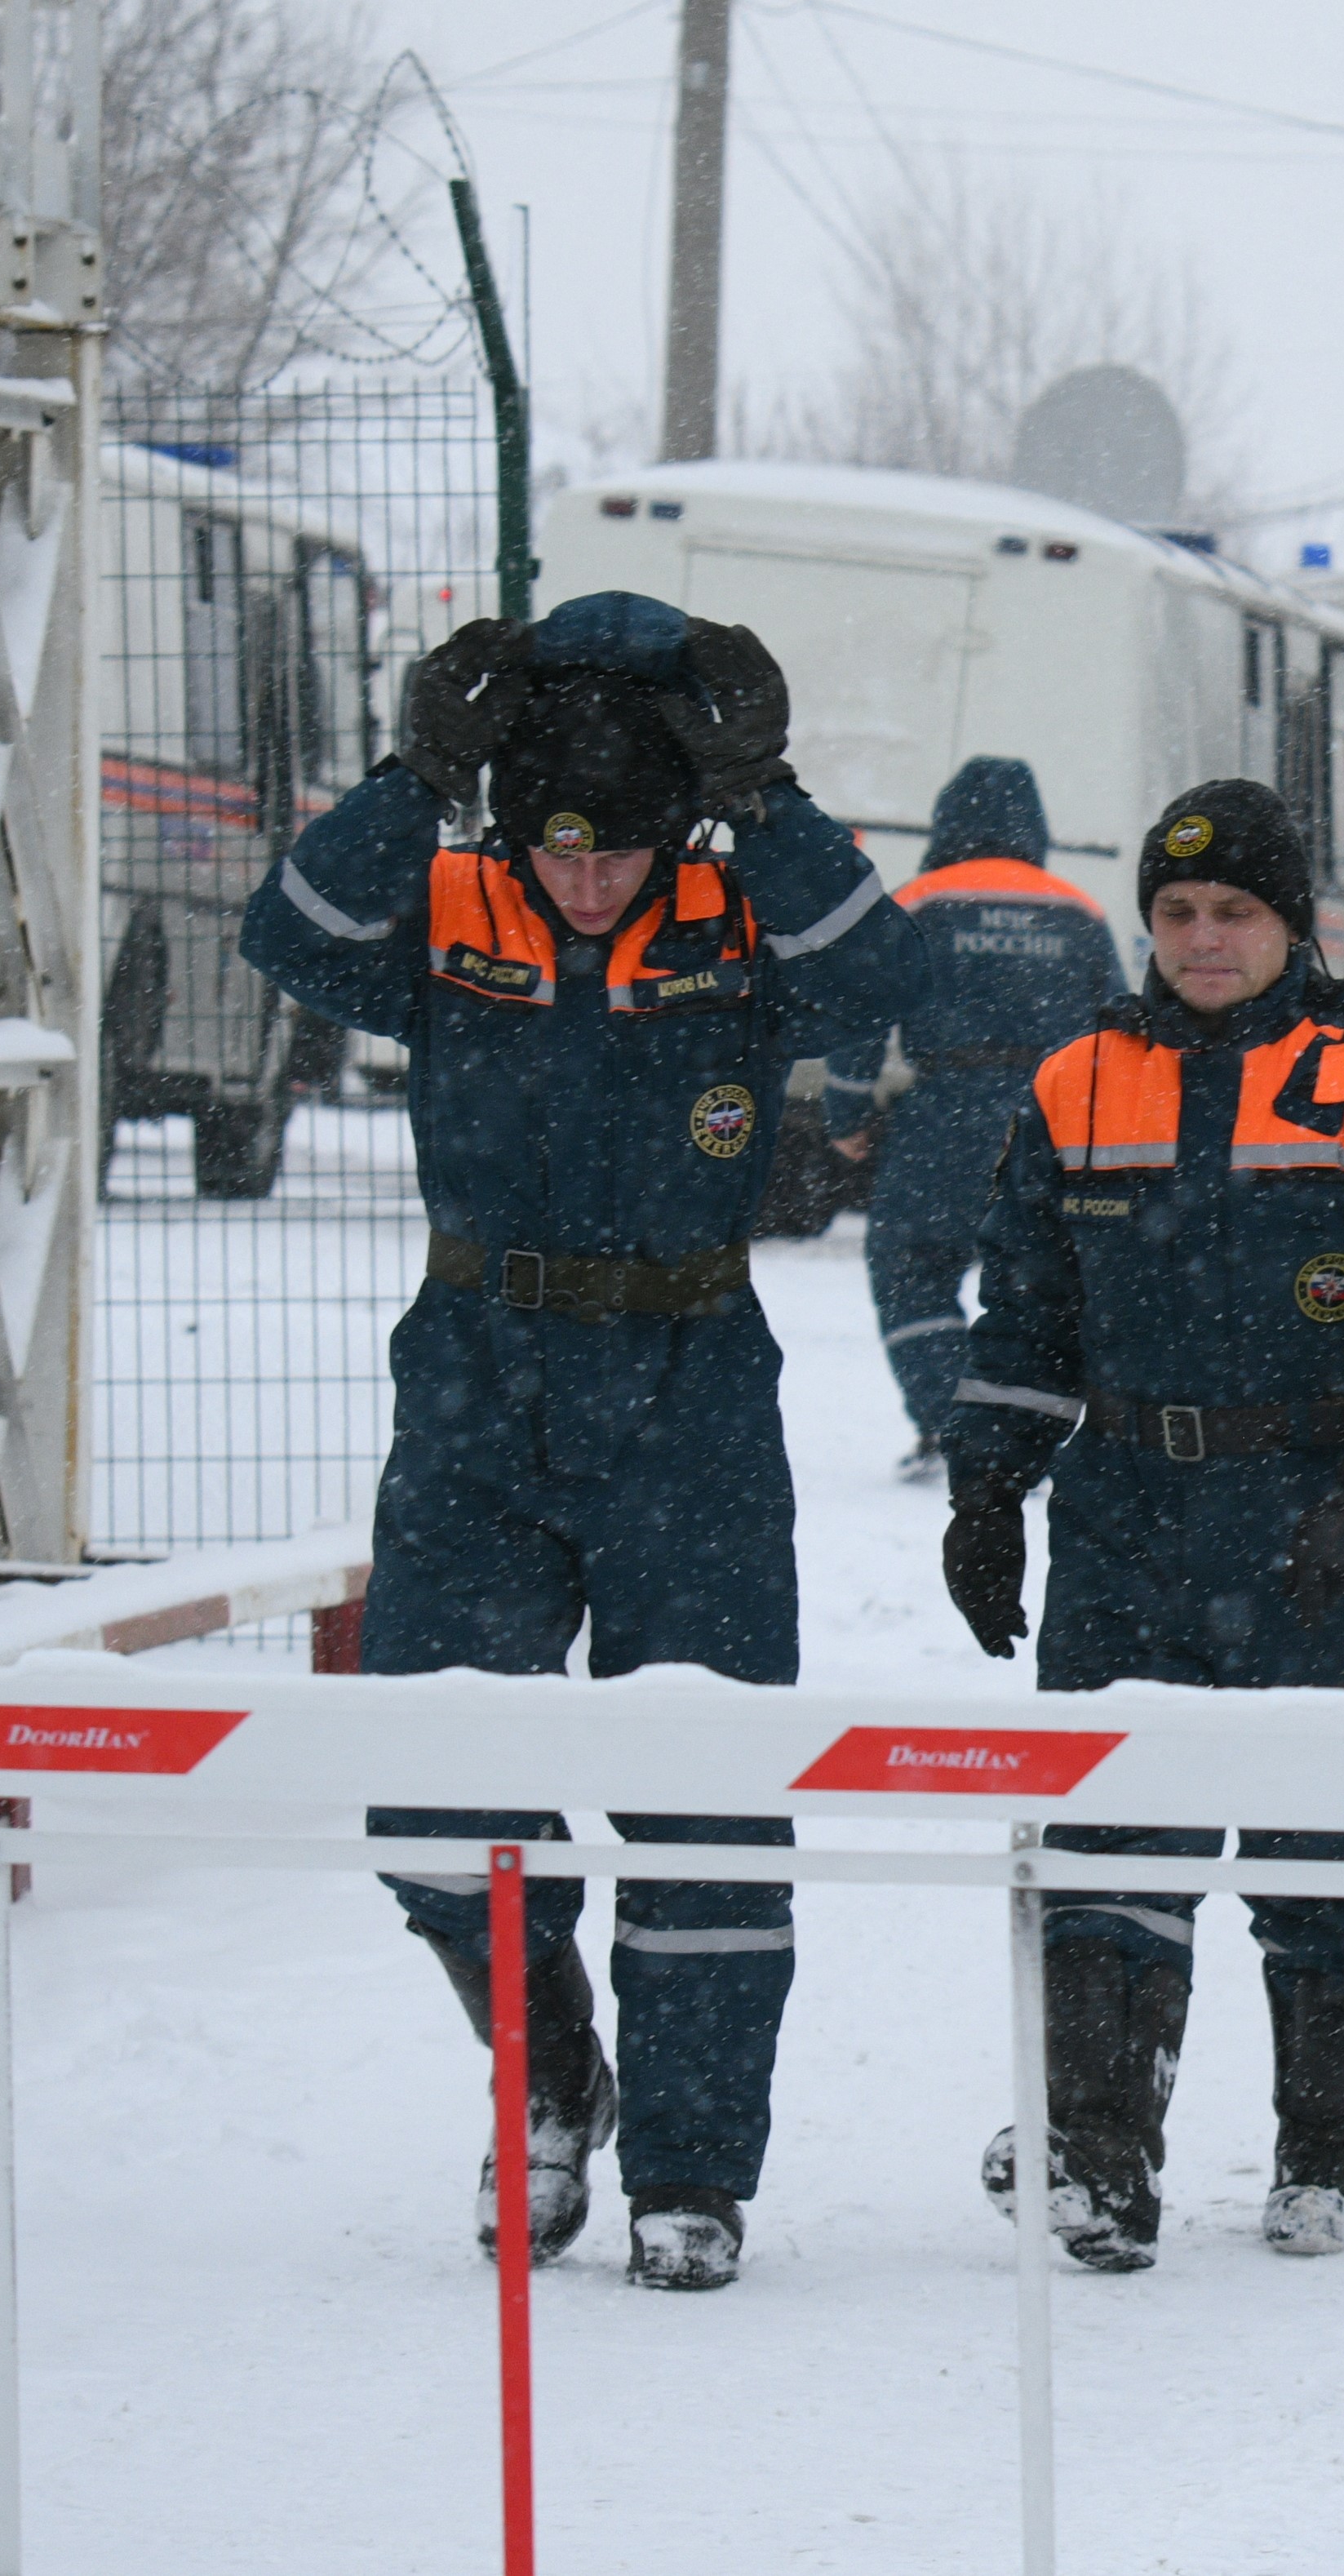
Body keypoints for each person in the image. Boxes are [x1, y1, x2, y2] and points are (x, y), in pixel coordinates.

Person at [240, 592, 938, 2293]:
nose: (587, 879)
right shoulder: (452, 896)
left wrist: (767, 802)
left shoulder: (729, 916)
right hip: (478, 1371)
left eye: (621, 847)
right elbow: (289, 935)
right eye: (556, 843)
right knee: (423, 1785)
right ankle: (547, 2072)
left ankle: (692, 2174)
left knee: (703, 1798)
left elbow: (885, 977)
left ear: (676, 825)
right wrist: (415, 776)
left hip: (690, 1379)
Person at [941, 778, 1344, 2272]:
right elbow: (1025, 1304)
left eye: (1234, 913)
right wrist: (990, 1482)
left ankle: (1326, 2156)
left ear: (1290, 923)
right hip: (1126, 1504)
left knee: (1324, 1834)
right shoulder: (1074, 1082)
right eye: (1179, 913)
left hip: (1319, 1503)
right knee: (1110, 1825)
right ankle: (1100, 2155)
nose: (1203, 939)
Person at [818, 757, 1127, 1474]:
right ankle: (1027, 1432)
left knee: (911, 1270)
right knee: (1036, 1287)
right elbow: (1118, 1030)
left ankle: (948, 1422)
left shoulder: (915, 902)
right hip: (1049, 1121)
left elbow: (860, 1021)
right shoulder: (1080, 911)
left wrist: (847, 1116)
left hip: (942, 1116)